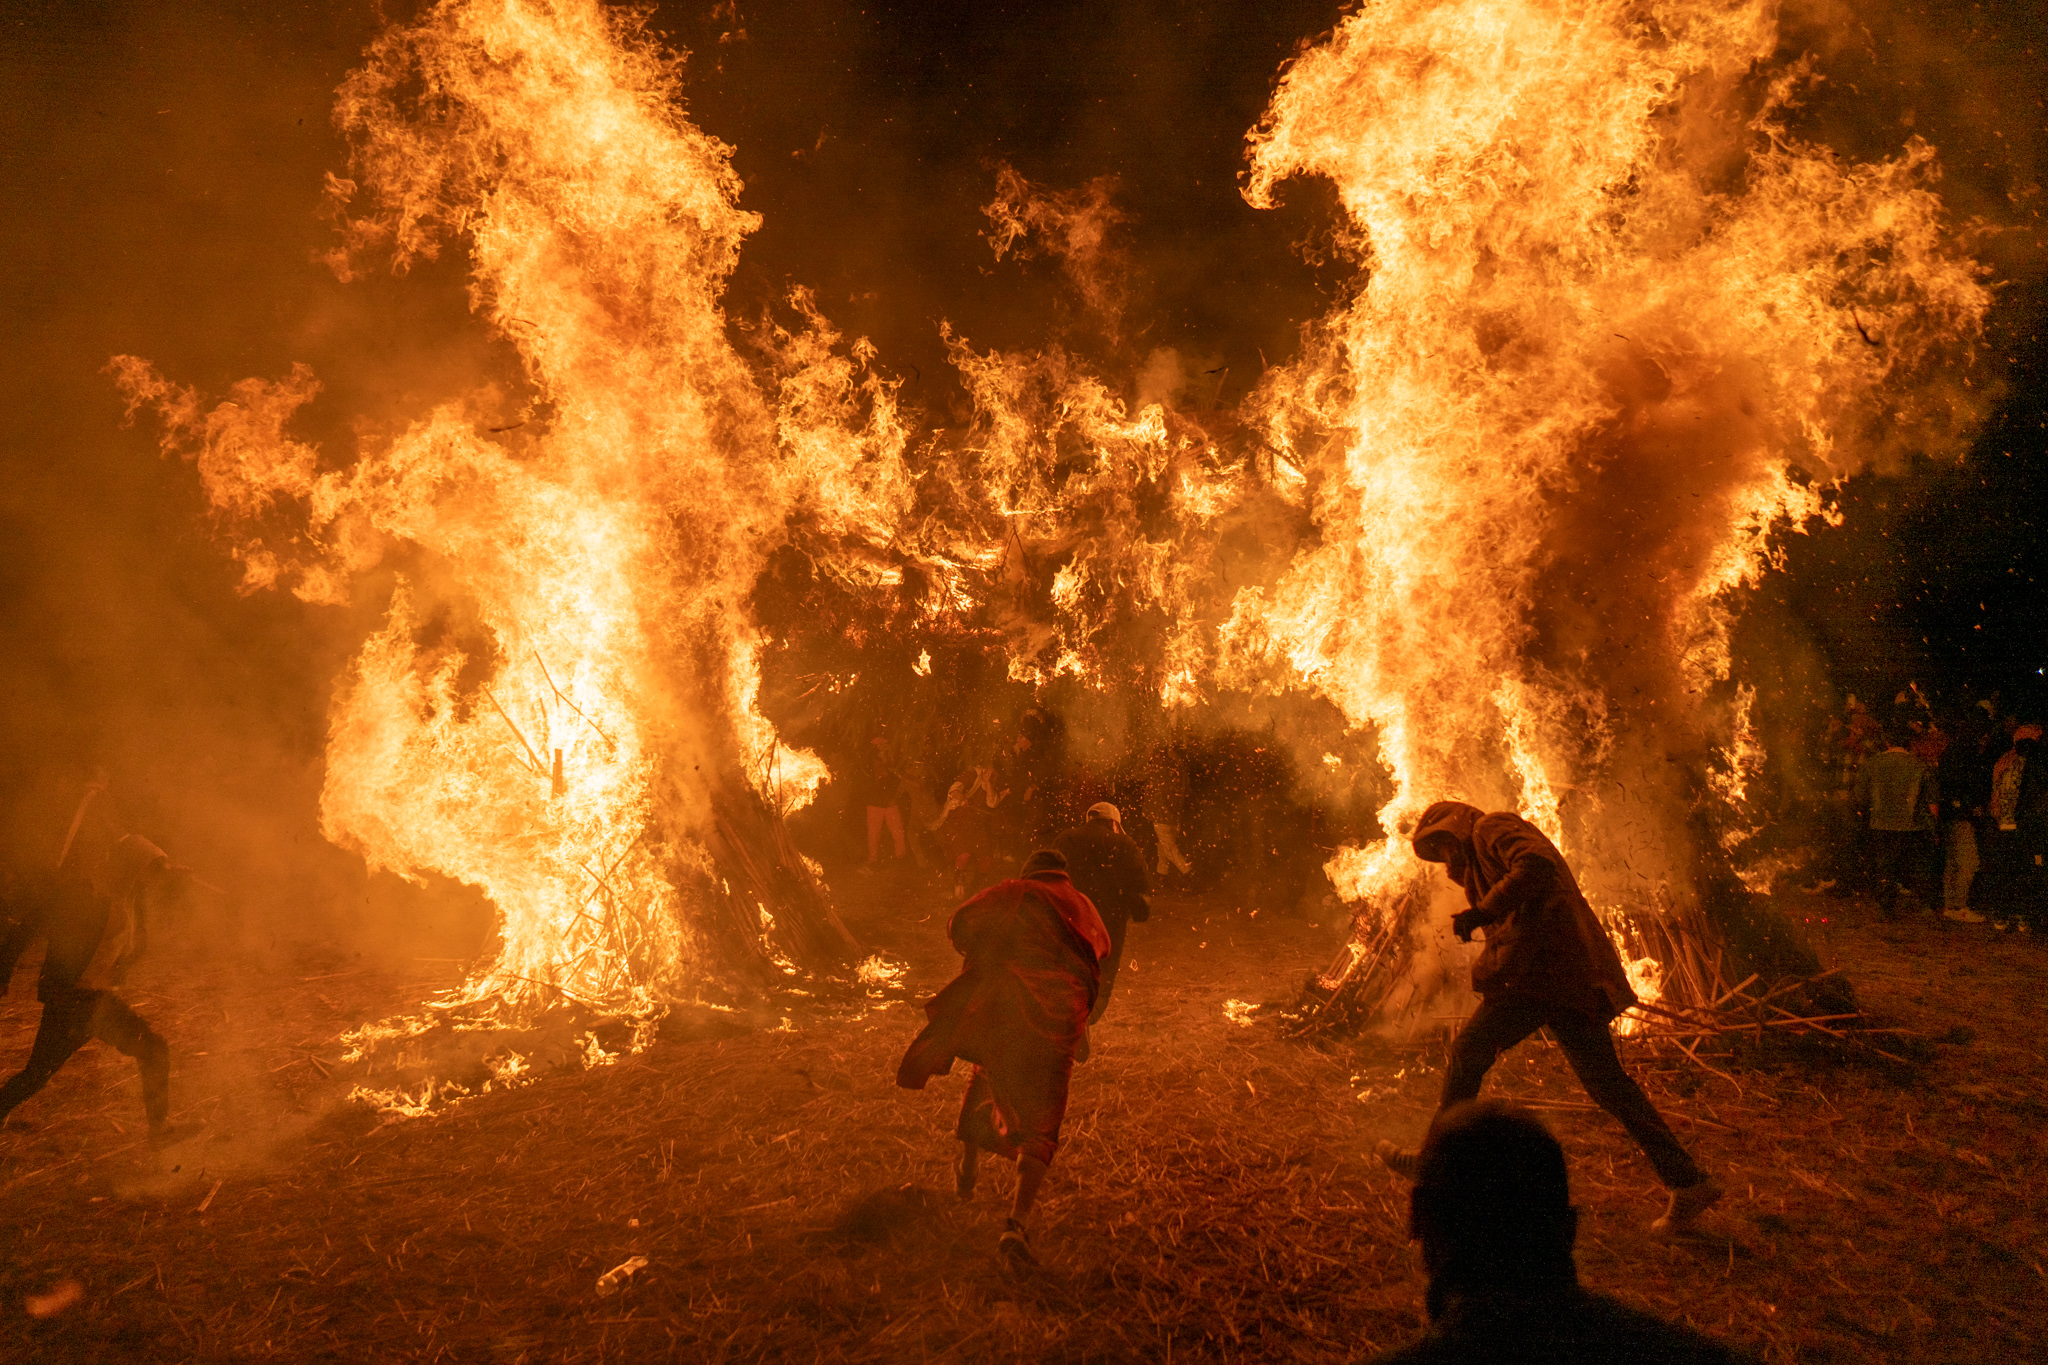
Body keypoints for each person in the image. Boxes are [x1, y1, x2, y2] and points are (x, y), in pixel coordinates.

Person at [1378, 801, 1721, 1235]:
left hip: (1544, 972)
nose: (1447, 859)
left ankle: (1435, 1164)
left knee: (1469, 1051)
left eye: (1444, 845)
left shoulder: (1490, 827)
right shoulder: (1481, 859)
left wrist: (1482, 913)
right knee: (1609, 1085)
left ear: (1457, 827)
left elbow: (1535, 865)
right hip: (1559, 975)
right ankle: (1688, 1182)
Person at [1365, 1100, 1759, 1364]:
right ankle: (1685, 1178)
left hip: (1548, 979)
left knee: (1470, 1048)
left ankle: (1436, 1154)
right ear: (1570, 1229)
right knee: (1603, 1076)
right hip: (1564, 982)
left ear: (1418, 1217)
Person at [896, 849, 1109, 1263]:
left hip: (1012, 1005)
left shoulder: (1019, 891)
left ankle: (968, 1170)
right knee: (1044, 1119)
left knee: (988, 1077)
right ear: (1063, 875)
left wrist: (988, 950)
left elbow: (960, 922)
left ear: (1032, 872)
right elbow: (1101, 948)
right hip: (1063, 1015)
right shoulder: (1084, 904)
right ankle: (1017, 1223)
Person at [0, 784, 191, 1144]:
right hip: (73, 1002)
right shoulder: (84, 896)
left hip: (94, 1001)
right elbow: (32, 923)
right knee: (35, 1076)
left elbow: (144, 903)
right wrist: (4, 966)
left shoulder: (126, 899)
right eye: (147, 870)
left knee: (152, 1051)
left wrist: (169, 868)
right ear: (130, 868)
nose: (150, 880)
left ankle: (160, 1131)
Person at [1053, 802, 1152, 1023]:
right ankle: (1085, 1020)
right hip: (1110, 918)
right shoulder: (1123, 842)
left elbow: (1051, 872)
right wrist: (1139, 909)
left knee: (1071, 964)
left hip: (1072, 913)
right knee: (1103, 973)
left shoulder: (1066, 839)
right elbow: (1140, 882)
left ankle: (1067, 1012)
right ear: (1114, 823)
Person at [1854, 729, 1935, 919]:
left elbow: (1861, 796)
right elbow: (1930, 801)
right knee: (1912, 865)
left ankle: (1887, 906)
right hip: (1911, 825)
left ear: (1888, 742)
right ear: (1909, 744)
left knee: (1884, 866)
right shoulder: (1920, 766)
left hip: (1880, 823)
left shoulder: (1872, 764)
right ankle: (1922, 904)